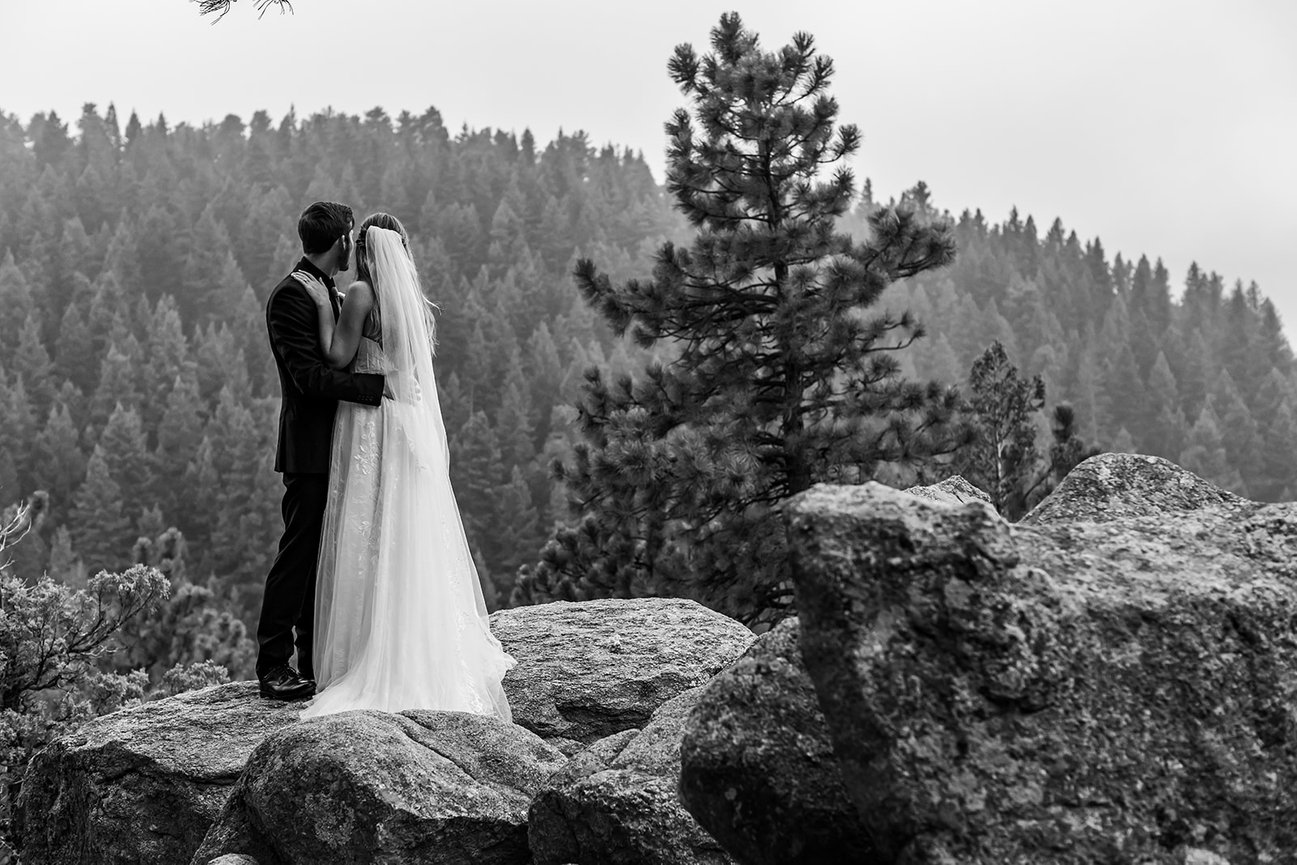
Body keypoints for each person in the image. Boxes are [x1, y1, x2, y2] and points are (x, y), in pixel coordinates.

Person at [293, 212, 514, 721]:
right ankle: (415, 640)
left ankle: (360, 651)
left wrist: (327, 309)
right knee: (405, 535)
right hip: (407, 421)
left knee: (364, 528)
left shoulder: (362, 296)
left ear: (367, 250)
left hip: (371, 422)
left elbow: (335, 357)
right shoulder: (410, 301)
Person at [257, 201, 387, 701]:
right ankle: (273, 665)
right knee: (298, 554)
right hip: (310, 450)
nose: (353, 246)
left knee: (327, 556)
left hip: (346, 447)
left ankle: (313, 661)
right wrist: (375, 391)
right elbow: (308, 380)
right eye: (350, 238)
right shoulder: (291, 296)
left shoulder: (328, 292)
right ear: (340, 242)